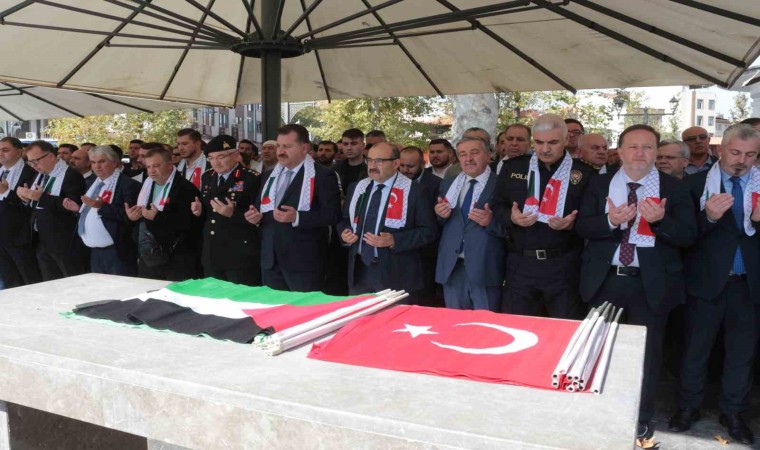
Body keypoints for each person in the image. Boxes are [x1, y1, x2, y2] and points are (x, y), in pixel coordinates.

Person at [576, 124, 696, 440]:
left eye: (647, 147)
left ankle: (640, 417)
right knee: (600, 351)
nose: (640, 153)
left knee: (647, 355)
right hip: (605, 281)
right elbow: (582, 227)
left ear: (656, 152)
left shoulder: (675, 188)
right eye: (633, 146)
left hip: (650, 285)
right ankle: (600, 412)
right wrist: (609, 221)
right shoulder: (599, 184)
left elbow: (688, 236)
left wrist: (660, 221)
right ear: (620, 151)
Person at [668, 125, 760, 445]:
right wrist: (707, 218)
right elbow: (682, 237)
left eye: (750, 154)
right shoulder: (694, 185)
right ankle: (688, 407)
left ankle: (733, 412)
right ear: (720, 150)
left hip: (749, 284)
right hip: (705, 282)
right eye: (735, 152)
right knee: (695, 348)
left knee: (741, 354)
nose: (742, 160)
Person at [492, 114, 596, 319]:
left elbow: (592, 219)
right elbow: (497, 206)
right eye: (539, 142)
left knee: (563, 328)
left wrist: (572, 225)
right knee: (517, 326)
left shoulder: (584, 173)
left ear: (566, 140)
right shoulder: (514, 167)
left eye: (553, 142)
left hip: (564, 265)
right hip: (520, 264)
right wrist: (512, 218)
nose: (545, 149)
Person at [248, 124, 341, 292]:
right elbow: (259, 206)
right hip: (270, 258)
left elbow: (332, 214)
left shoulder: (322, 175)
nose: (280, 151)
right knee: (274, 307)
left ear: (304, 148)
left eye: (287, 146)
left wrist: (297, 217)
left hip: (303, 261)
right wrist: (254, 216)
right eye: (279, 146)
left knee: (304, 307)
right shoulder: (269, 175)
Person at [339, 142, 437, 300]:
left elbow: (429, 231)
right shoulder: (357, 188)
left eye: (379, 161)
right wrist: (345, 233)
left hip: (397, 273)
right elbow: (344, 220)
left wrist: (394, 240)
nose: (372, 166)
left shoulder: (416, 191)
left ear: (396, 163)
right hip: (360, 270)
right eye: (369, 160)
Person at [435, 137, 505, 311]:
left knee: (485, 325)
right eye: (463, 154)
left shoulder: (501, 184)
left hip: (485, 269)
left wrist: (490, 222)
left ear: (488, 155)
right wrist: (440, 214)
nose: (468, 158)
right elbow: (440, 224)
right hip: (452, 268)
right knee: (455, 324)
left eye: (475, 152)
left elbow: (514, 228)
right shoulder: (449, 183)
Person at [190, 135, 261, 285]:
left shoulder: (251, 178)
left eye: (221, 157)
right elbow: (209, 211)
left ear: (236, 155)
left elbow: (259, 216)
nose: (216, 162)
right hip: (212, 252)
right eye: (211, 158)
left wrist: (233, 214)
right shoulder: (208, 176)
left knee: (240, 296)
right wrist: (199, 211)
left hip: (239, 253)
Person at [62, 145, 140, 275]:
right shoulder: (92, 182)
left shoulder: (128, 185)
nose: (97, 166)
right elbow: (91, 211)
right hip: (94, 250)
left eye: (101, 162)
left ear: (114, 162)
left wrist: (101, 207)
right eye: (93, 162)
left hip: (117, 251)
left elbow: (129, 217)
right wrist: (78, 209)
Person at [127, 147, 201, 281]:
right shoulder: (147, 185)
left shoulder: (185, 188)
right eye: (148, 167)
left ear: (169, 164)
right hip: (148, 256)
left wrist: (157, 217)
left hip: (176, 258)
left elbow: (188, 224)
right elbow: (141, 218)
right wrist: (133, 217)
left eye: (156, 166)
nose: (151, 171)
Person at [17, 140, 87, 280]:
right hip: (40, 238)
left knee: (72, 280)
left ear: (50, 156)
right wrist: (25, 198)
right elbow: (35, 202)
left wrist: (40, 197)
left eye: (36, 161)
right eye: (30, 162)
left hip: (63, 240)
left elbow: (72, 206)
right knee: (50, 282)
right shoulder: (39, 174)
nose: (34, 165)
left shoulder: (71, 175)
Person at [399, 145, 442, 306]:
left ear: (423, 164)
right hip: (400, 251)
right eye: (402, 165)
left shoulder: (436, 184)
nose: (405, 170)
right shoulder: (395, 182)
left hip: (425, 253)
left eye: (410, 166)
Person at [0, 137, 42, 287]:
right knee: (9, 280)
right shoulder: (1, 171)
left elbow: (30, 205)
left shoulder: (31, 173)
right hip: (2, 237)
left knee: (29, 280)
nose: (1, 153)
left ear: (19, 152)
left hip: (20, 237)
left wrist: (6, 192)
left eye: (5, 150)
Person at [334, 128, 367, 195]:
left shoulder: (372, 167)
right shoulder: (335, 168)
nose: (349, 148)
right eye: (345, 144)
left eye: (354, 144)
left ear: (363, 145)